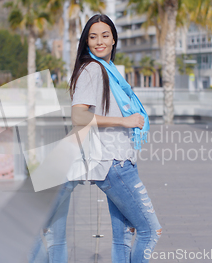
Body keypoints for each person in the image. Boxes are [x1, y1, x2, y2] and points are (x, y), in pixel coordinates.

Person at [69, 14, 162, 263]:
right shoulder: (93, 70)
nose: (99, 41)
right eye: (93, 36)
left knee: (122, 235)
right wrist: (124, 121)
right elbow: (78, 115)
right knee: (150, 231)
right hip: (114, 163)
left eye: (105, 35)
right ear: (86, 42)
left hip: (115, 162)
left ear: (113, 40)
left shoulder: (108, 71)